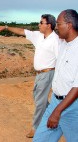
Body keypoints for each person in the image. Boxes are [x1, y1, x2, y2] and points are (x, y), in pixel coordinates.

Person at [0, 14, 59, 138]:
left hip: (48, 73)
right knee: (38, 98)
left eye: (41, 22)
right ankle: (55, 115)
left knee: (40, 102)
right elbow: (21, 31)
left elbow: (60, 60)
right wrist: (6, 27)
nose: (38, 24)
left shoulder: (55, 40)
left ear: (49, 25)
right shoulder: (39, 36)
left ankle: (36, 128)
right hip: (39, 74)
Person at [33, 9, 78, 142]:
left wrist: (58, 111)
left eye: (58, 24)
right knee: (40, 139)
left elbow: (77, 86)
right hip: (55, 101)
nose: (56, 27)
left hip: (72, 107)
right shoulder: (63, 43)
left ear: (69, 25)